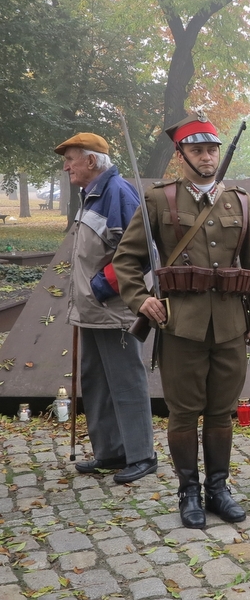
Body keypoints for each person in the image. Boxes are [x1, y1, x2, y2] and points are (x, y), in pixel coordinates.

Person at [113, 113, 250, 528]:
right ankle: (189, 492)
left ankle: (219, 488)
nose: (207, 156)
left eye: (212, 149)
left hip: (232, 324)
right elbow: (126, 261)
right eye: (197, 150)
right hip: (180, 324)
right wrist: (141, 300)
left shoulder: (239, 201)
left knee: (221, 412)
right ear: (181, 154)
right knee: (184, 414)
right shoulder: (160, 199)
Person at [55, 132, 157, 484]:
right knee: (95, 381)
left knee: (126, 382)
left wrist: (98, 288)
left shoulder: (118, 193)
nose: (66, 166)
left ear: (92, 161)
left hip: (114, 311)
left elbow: (143, 254)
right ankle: (110, 452)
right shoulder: (91, 195)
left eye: (71, 159)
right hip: (91, 312)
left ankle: (142, 454)